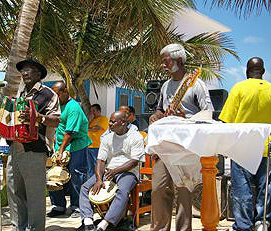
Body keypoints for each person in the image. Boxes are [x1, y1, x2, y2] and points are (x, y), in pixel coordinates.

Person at [149, 43, 214, 231]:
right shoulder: (165, 86)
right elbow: (160, 109)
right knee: (159, 189)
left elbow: (208, 113)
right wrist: (156, 115)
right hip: (165, 145)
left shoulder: (196, 84)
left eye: (166, 61)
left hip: (187, 147)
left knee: (184, 191)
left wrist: (186, 118)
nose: (163, 65)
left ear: (179, 60)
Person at [6, 58, 61, 231]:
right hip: (15, 148)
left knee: (35, 195)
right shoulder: (21, 95)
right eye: (23, 70)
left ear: (39, 74)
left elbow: (56, 120)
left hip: (35, 150)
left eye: (29, 69)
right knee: (14, 191)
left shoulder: (48, 94)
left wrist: (39, 117)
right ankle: (18, 227)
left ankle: (36, 228)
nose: (25, 73)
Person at [219, 57, 271, 231]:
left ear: (247, 72)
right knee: (265, 189)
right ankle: (262, 222)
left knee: (242, 190)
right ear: (263, 72)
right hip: (266, 148)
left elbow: (226, 121)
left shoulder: (238, 88)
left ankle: (243, 226)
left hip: (241, 148)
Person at [78, 111, 144, 231]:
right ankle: (87, 221)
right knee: (85, 187)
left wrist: (115, 171)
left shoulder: (136, 137)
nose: (110, 123)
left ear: (123, 123)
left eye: (113, 121)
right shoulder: (107, 138)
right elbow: (100, 161)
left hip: (129, 172)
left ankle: (106, 223)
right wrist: (98, 179)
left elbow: (134, 161)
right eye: (110, 120)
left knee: (122, 190)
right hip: (109, 171)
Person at [48, 81, 92, 218]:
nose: (54, 98)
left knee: (77, 176)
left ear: (65, 92)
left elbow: (69, 132)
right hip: (60, 146)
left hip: (76, 146)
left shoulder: (73, 107)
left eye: (57, 95)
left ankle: (77, 206)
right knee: (55, 175)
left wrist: (61, 151)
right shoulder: (57, 106)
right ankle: (58, 205)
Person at [87, 104, 109, 178]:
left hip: (97, 146)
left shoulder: (103, 119)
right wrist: (89, 120)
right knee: (90, 167)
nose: (92, 112)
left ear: (99, 111)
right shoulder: (91, 120)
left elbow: (97, 128)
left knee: (96, 166)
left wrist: (88, 129)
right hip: (89, 146)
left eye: (94, 111)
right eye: (91, 111)